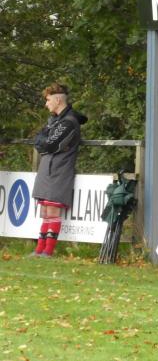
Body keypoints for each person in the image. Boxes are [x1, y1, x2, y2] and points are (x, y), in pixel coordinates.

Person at [31, 82, 87, 257]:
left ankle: (48, 251)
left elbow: (50, 143)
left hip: (60, 170)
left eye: (48, 100)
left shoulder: (69, 122)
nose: (46, 104)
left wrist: (44, 142)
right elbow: (39, 142)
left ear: (57, 100)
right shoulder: (54, 120)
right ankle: (39, 249)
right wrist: (44, 142)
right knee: (46, 211)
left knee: (53, 210)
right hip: (47, 168)